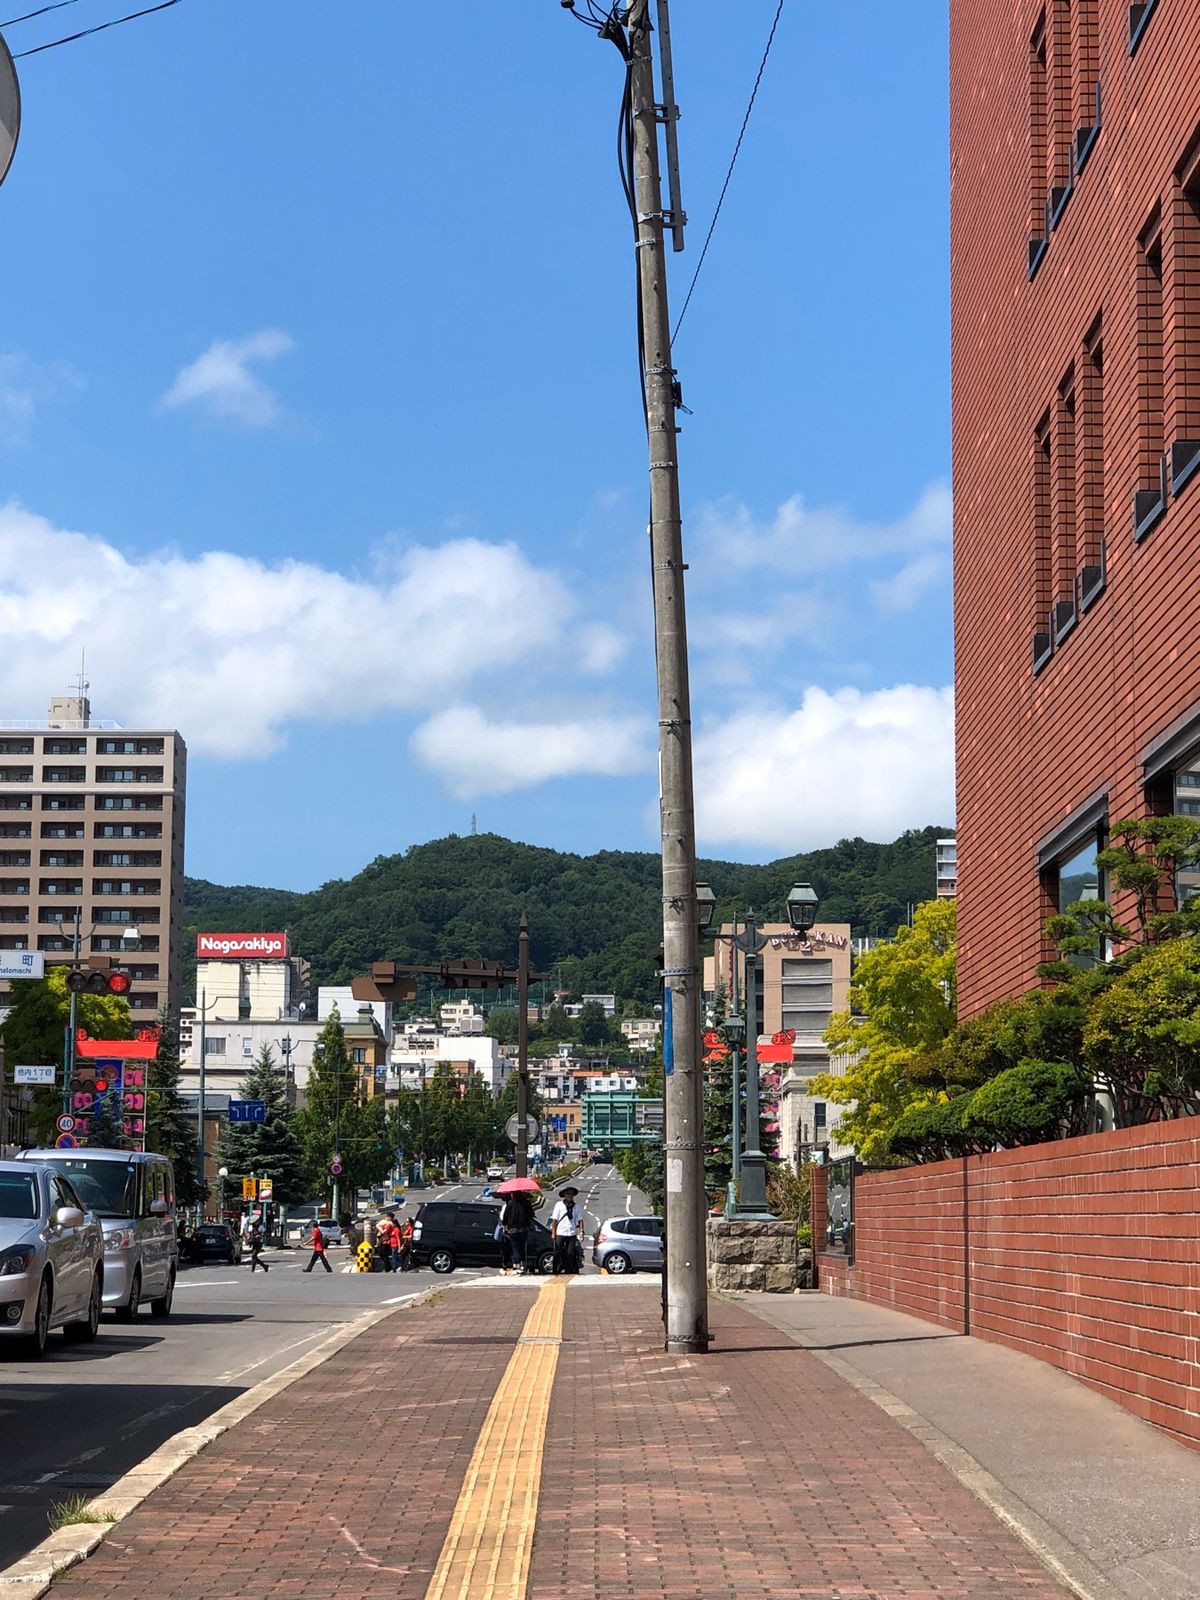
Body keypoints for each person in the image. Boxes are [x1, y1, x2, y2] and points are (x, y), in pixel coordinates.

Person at [550, 1186, 583, 1275]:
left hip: (571, 1233)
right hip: (560, 1232)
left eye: (571, 1194)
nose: (569, 1196)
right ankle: (555, 1271)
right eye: (568, 1194)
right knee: (557, 1252)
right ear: (564, 1195)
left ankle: (568, 1271)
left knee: (570, 1253)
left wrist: (581, 1232)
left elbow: (580, 1220)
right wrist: (553, 1233)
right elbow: (554, 1220)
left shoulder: (577, 1207)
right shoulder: (559, 1205)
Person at [500, 1190, 535, 1275]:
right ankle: (523, 1265)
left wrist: (505, 1225)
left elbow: (505, 1216)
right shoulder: (526, 1202)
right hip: (524, 1228)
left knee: (515, 1247)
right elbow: (531, 1214)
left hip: (513, 1229)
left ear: (513, 1194)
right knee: (522, 1247)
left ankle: (517, 1264)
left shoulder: (510, 1203)